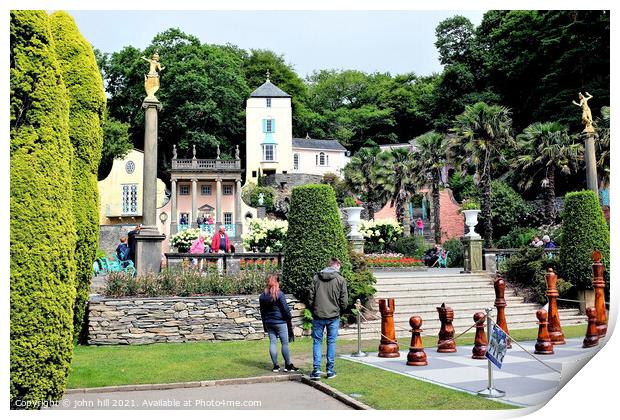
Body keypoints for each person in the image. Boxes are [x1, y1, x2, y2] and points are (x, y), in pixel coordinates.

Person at [308, 258, 348, 380]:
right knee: (331, 342)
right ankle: (330, 371)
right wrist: (341, 310)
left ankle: (316, 370)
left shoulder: (316, 278)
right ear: (337, 266)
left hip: (318, 315)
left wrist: (313, 308)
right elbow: (344, 301)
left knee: (317, 342)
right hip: (333, 315)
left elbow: (310, 297)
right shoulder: (340, 280)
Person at [258, 275, 299, 373]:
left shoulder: (262, 296)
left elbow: (262, 312)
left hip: (269, 322)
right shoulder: (279, 294)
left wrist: (265, 324)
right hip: (280, 322)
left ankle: (275, 366)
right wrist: (288, 319)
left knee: (273, 342)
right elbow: (285, 309)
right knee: (284, 343)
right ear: (277, 282)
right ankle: (288, 365)